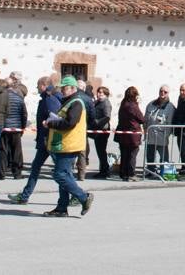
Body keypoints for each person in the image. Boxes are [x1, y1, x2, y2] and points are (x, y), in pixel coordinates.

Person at [41, 76, 94, 217]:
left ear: (73, 88)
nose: (62, 90)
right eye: (62, 88)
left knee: (60, 175)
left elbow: (70, 123)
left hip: (69, 144)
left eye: (65, 88)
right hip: (64, 144)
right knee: (65, 175)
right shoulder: (70, 101)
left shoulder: (76, 102)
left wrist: (51, 123)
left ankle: (83, 197)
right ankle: (62, 208)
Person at [8, 75, 62, 204]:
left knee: (62, 171)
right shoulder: (46, 98)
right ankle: (25, 196)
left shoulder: (49, 99)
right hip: (44, 140)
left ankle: (76, 195)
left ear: (43, 85)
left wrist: (46, 127)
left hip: (49, 140)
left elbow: (55, 117)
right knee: (35, 168)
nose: (37, 88)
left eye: (38, 86)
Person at [0, 74, 29, 180]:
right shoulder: (19, 97)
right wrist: (23, 126)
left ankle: (1, 172)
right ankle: (17, 173)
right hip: (16, 128)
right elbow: (24, 113)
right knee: (16, 151)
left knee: (2, 150)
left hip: (4, 127)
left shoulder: (1, 97)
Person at [143, 85, 176, 176]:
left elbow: (170, 123)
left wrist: (167, 135)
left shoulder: (170, 107)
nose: (162, 93)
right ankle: (150, 171)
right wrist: (145, 130)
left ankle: (164, 172)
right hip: (150, 135)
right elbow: (145, 119)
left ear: (168, 93)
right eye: (161, 91)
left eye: (165, 92)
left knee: (164, 156)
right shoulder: (151, 104)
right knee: (150, 156)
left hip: (162, 136)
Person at [115, 86, 145, 181]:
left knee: (124, 154)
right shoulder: (133, 106)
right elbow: (141, 119)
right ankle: (131, 174)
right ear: (135, 95)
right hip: (132, 134)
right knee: (132, 154)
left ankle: (123, 173)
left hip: (123, 133)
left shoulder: (123, 104)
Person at [91, 85, 114, 179]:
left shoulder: (106, 103)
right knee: (100, 151)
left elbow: (107, 116)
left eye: (101, 92)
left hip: (103, 130)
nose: (99, 94)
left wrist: (97, 122)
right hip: (97, 130)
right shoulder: (97, 102)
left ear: (106, 94)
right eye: (98, 92)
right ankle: (103, 169)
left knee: (101, 151)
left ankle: (105, 171)